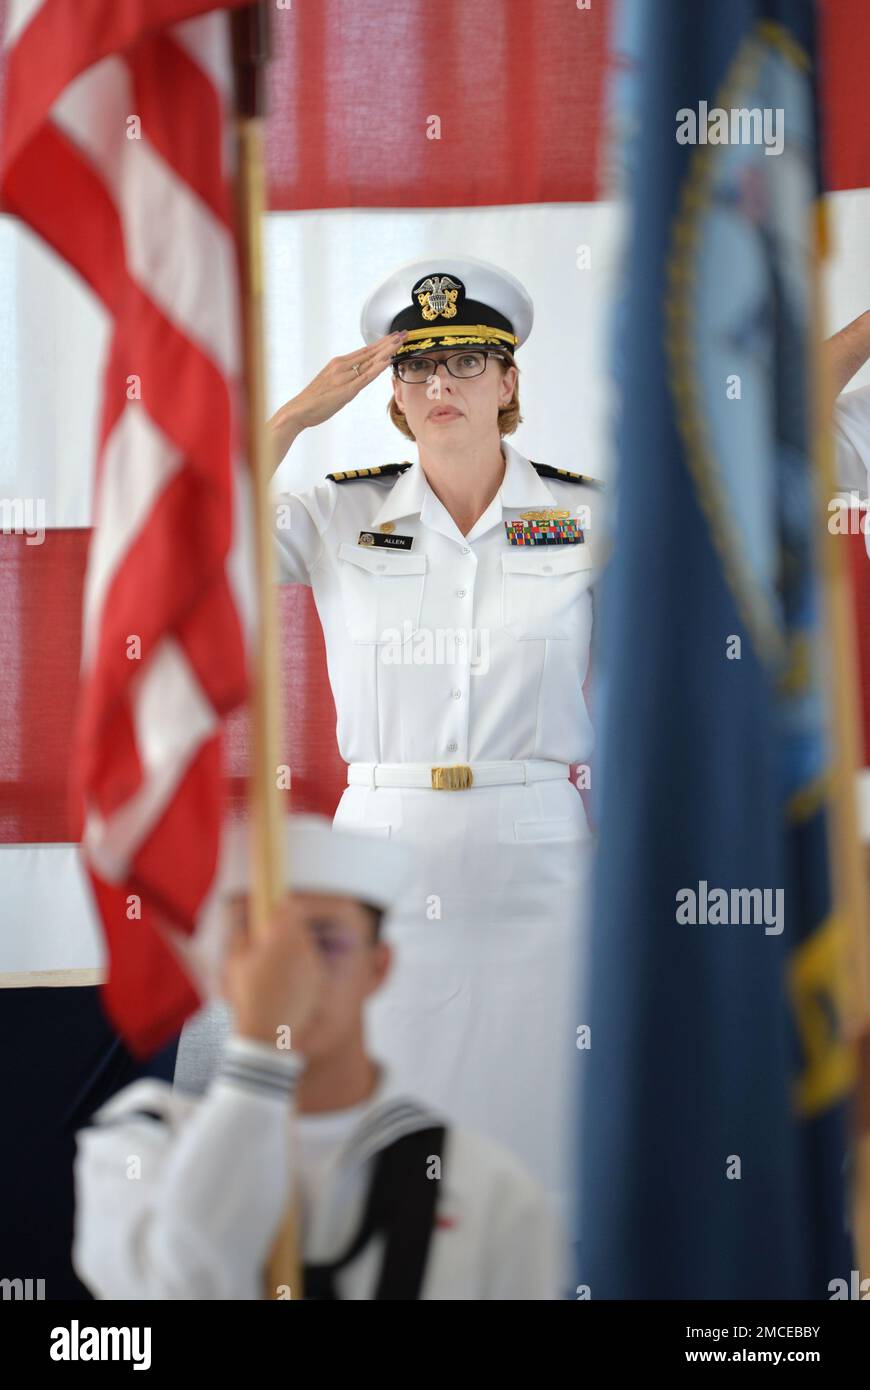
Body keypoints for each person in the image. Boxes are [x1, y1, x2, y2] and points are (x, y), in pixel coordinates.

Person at [267, 256, 602, 1219]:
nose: (439, 385)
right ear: (393, 395)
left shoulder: (586, 515)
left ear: (509, 383)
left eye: (465, 362)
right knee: (381, 1147)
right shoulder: (338, 511)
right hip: (382, 854)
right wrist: (295, 415)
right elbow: (194, 527)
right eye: (416, 370)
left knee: (542, 1140)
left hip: (538, 853)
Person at [72, 817, 557, 1301]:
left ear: (379, 967)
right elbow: (186, 1288)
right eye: (260, 943)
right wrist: (262, 1054)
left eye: (327, 943)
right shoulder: (136, 1150)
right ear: (219, 965)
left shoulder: (488, 1191)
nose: (293, 976)